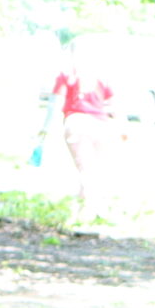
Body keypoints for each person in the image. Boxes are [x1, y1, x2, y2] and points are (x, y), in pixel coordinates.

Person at [46, 41, 118, 214]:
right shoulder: (101, 77)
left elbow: (55, 104)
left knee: (85, 169)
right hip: (100, 125)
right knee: (93, 169)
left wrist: (45, 129)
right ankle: (91, 208)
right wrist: (122, 128)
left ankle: (87, 209)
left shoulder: (66, 76)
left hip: (76, 122)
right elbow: (114, 106)